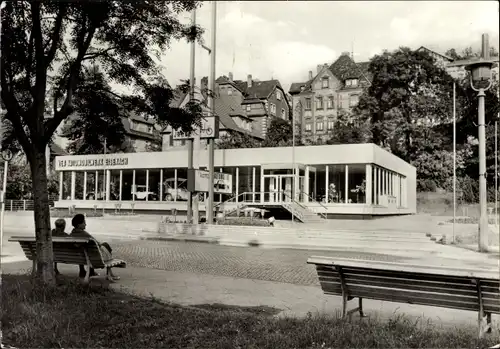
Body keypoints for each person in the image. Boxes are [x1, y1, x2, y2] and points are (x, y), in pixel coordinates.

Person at [69, 214, 120, 282]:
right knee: (106, 245)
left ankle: (83, 271)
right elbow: (97, 244)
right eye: (84, 222)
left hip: (80, 257)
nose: (85, 224)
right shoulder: (85, 235)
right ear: (79, 224)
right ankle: (109, 274)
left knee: (85, 250)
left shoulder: (71, 235)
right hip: (92, 258)